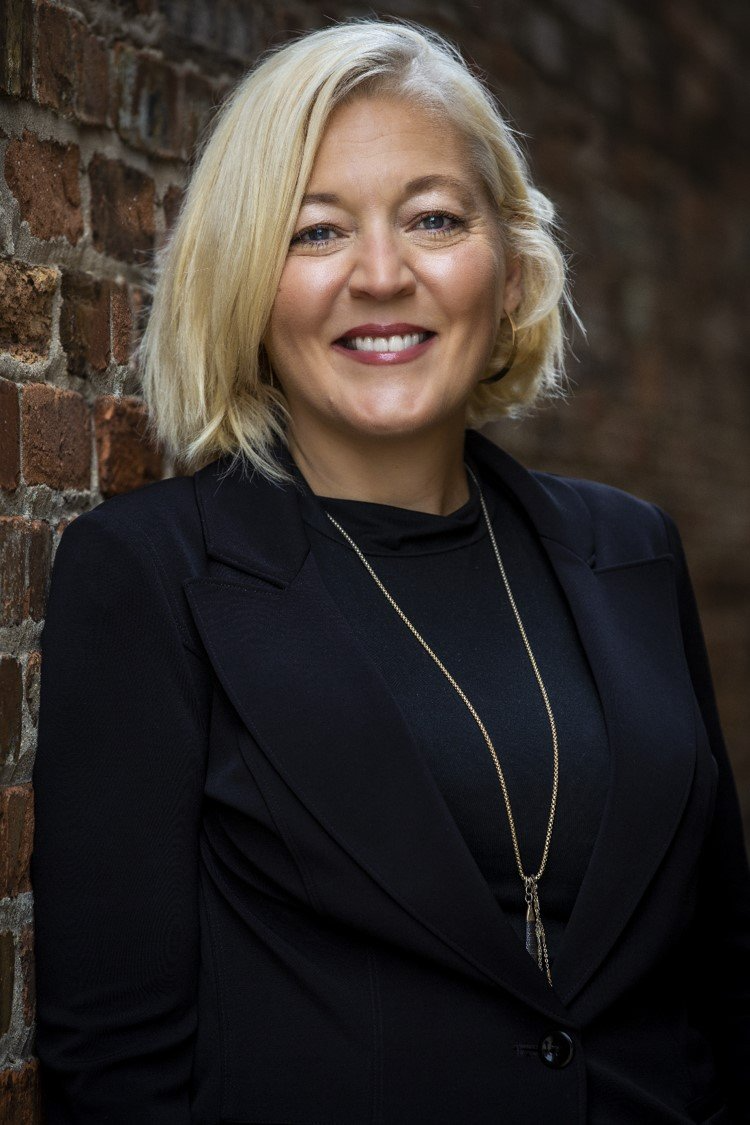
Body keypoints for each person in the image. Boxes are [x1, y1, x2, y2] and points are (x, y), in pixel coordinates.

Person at [31, 17, 750, 1124]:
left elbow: (718, 979)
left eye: (434, 219)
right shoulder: (151, 577)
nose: (382, 275)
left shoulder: (632, 551)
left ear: (509, 269)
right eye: (317, 232)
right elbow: (115, 1060)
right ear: (245, 282)